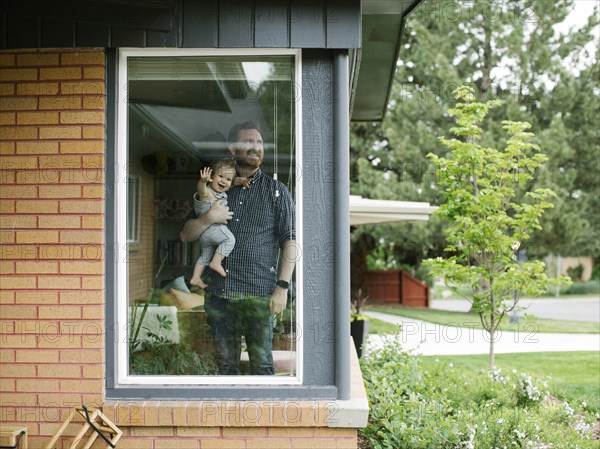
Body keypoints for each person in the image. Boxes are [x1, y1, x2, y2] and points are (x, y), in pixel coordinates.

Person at [180, 121, 296, 375]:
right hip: (221, 295)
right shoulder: (216, 189)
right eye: (249, 142)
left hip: (260, 296)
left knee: (263, 366)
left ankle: (262, 416)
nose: (256, 147)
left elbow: (290, 241)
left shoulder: (277, 192)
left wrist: (283, 286)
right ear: (233, 149)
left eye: (259, 142)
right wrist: (207, 218)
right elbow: (185, 235)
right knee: (225, 368)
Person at [189, 159, 250, 289]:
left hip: (204, 235)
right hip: (214, 228)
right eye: (220, 176)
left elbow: (234, 182)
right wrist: (202, 181)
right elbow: (201, 190)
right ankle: (216, 262)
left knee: (205, 256)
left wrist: (243, 181)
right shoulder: (208, 193)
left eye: (227, 179)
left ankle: (195, 277)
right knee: (229, 239)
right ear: (211, 177)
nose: (223, 181)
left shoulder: (222, 191)